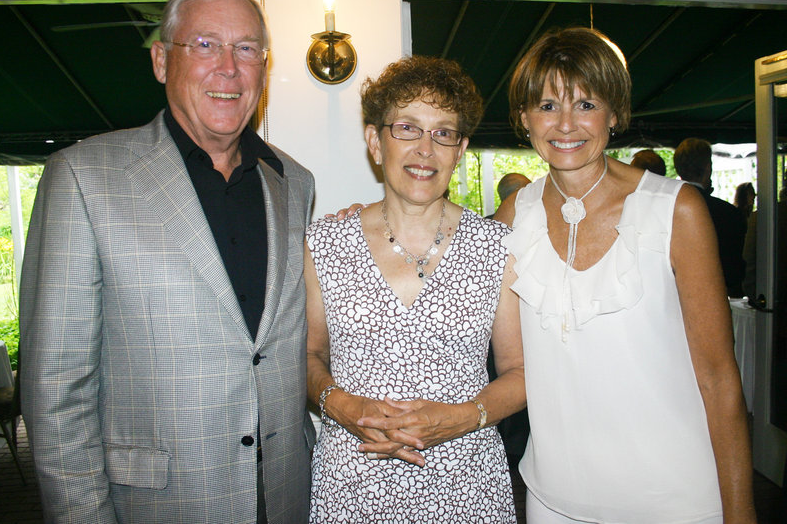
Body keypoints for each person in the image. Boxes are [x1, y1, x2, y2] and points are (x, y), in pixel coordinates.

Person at [20, 0, 315, 523]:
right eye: (204, 45)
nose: (228, 67)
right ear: (161, 60)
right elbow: (56, 388)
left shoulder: (293, 181)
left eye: (246, 49)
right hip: (156, 505)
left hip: (284, 495)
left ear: (263, 68)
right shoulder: (84, 176)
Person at [494, 27, 755, 523]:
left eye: (586, 103)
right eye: (548, 106)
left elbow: (720, 379)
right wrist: (371, 222)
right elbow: (437, 263)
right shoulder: (513, 216)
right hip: (553, 502)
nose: (566, 123)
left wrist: (741, 513)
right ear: (524, 118)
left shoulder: (677, 210)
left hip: (674, 500)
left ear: (615, 113)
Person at [305, 56, 525, 522]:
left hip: (466, 484)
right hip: (354, 484)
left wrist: (462, 418)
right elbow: (306, 358)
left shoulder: (498, 247)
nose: (425, 149)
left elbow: (521, 371)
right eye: (406, 127)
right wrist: (342, 406)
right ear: (375, 141)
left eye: (443, 133)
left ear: (459, 149)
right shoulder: (324, 243)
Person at [674, 137, 747, 297]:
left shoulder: (664, 209)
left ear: (678, 169)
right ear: (708, 168)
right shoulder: (728, 214)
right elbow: (734, 272)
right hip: (716, 297)